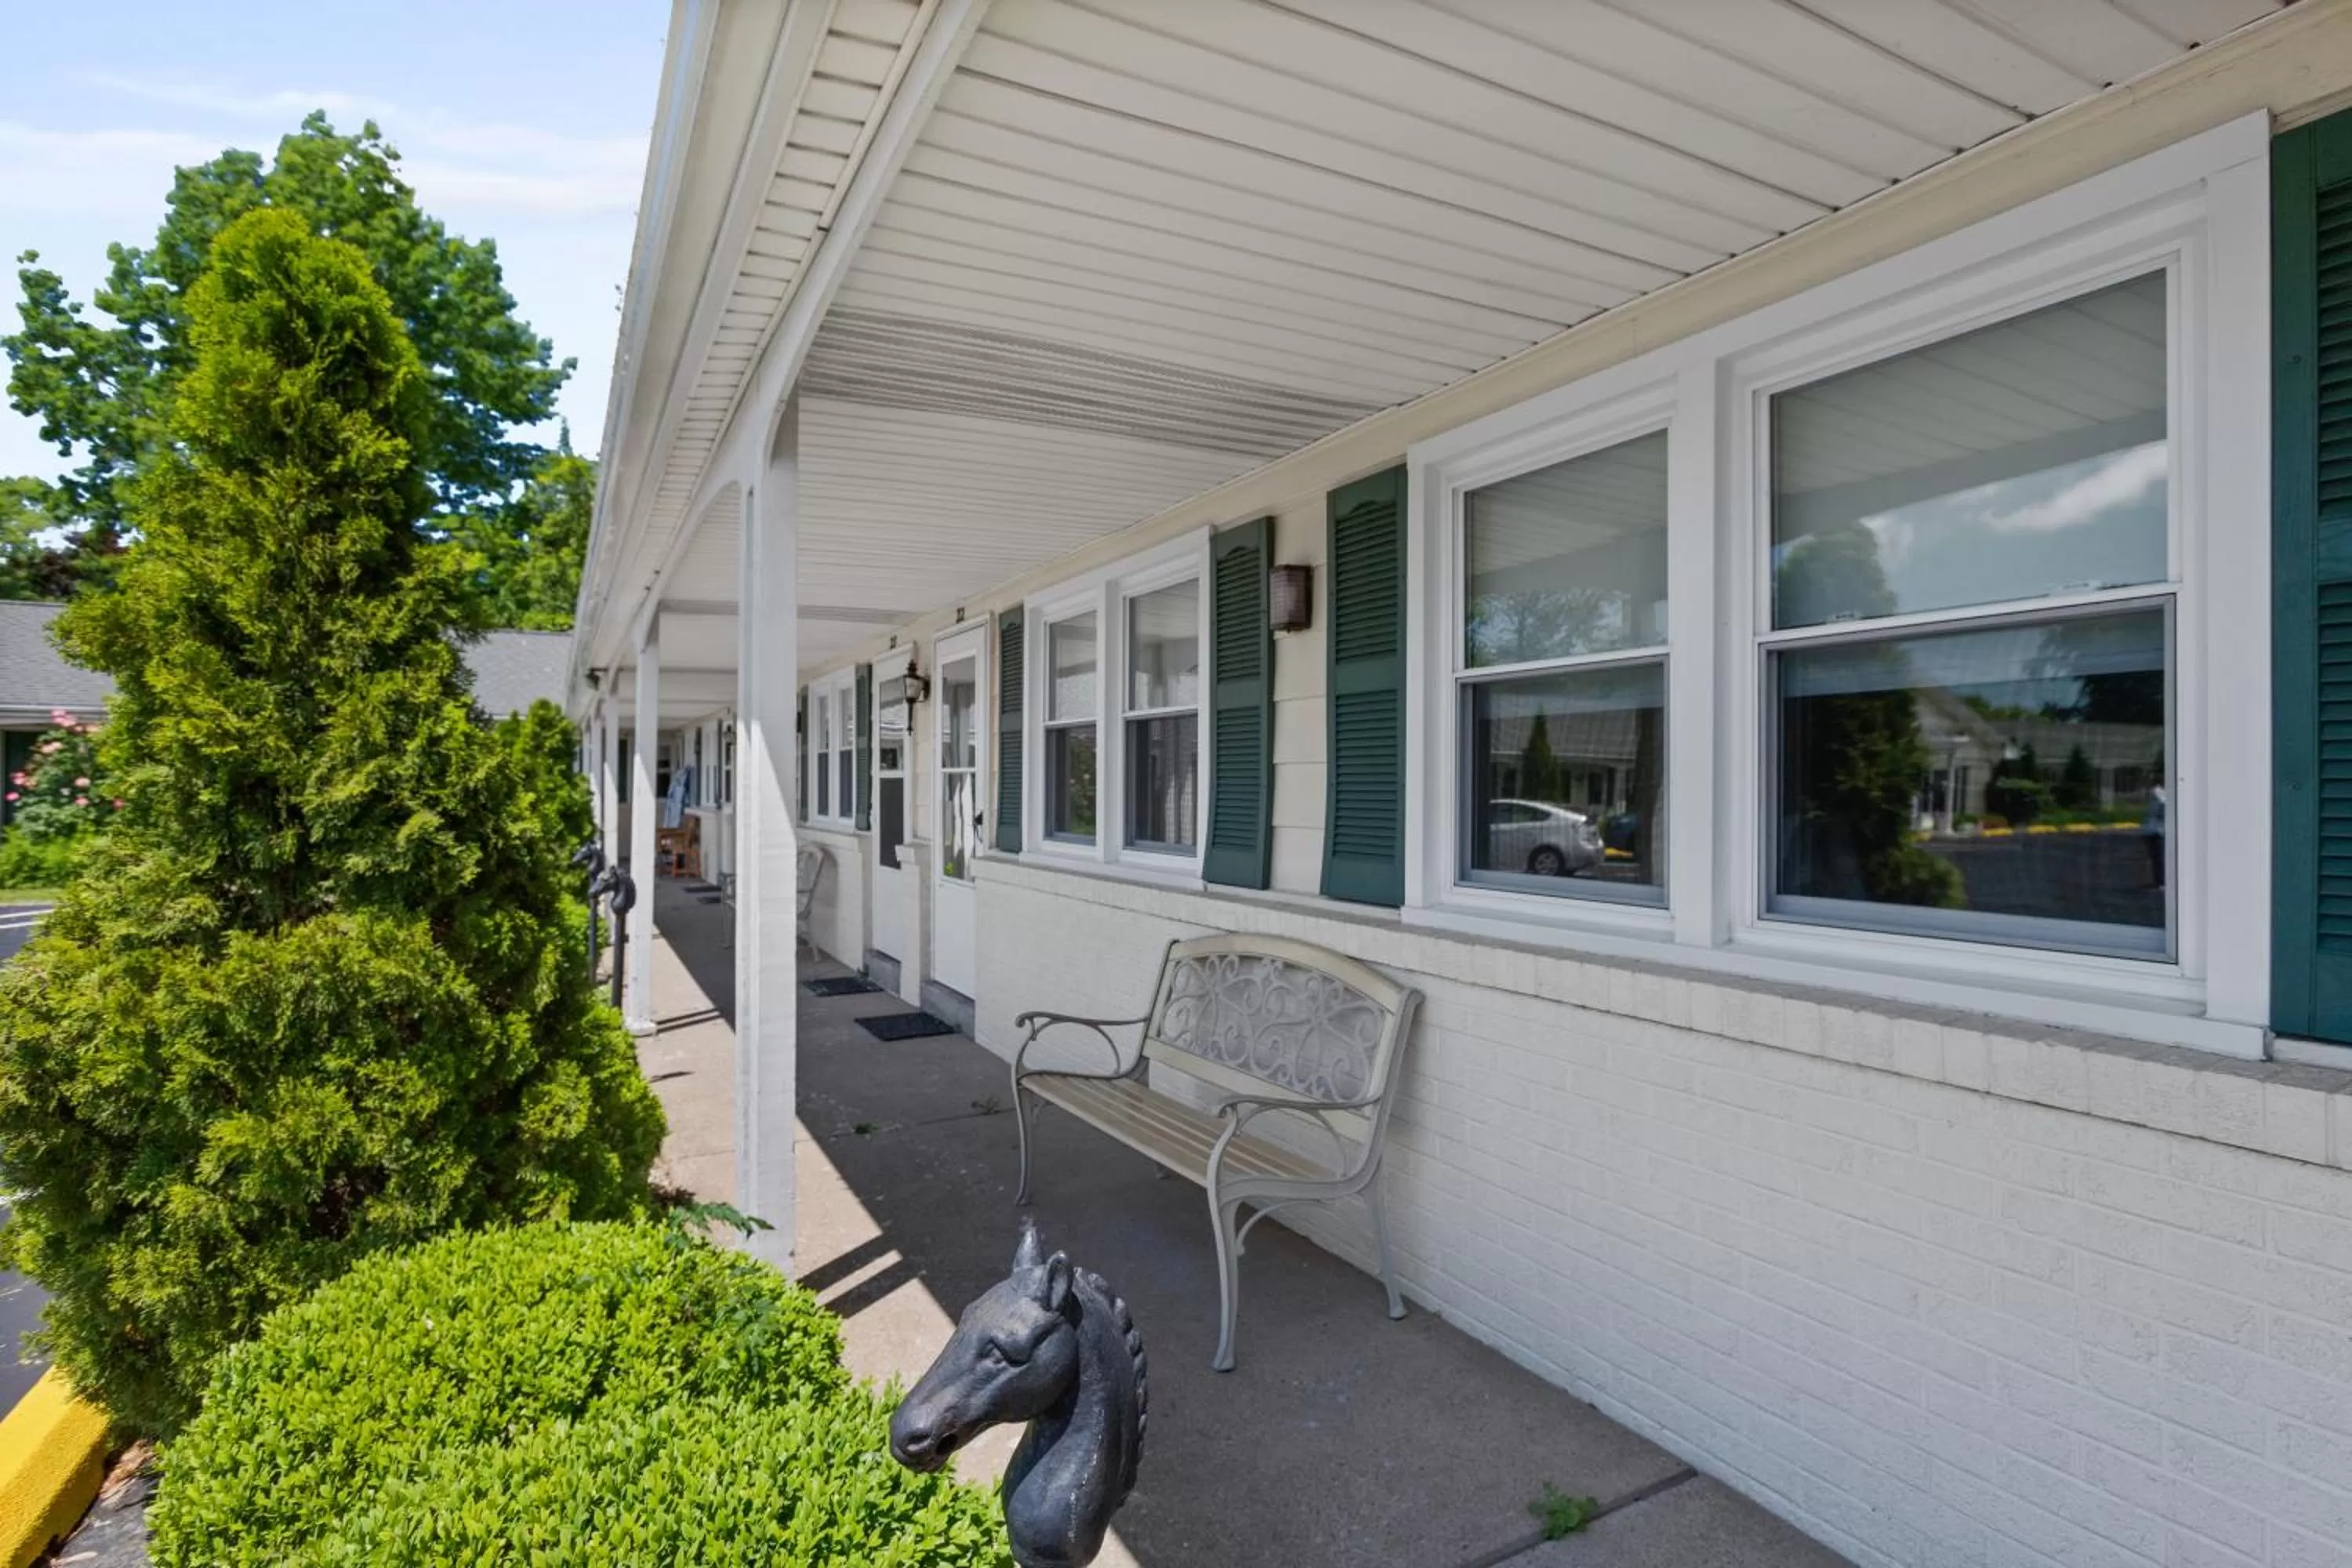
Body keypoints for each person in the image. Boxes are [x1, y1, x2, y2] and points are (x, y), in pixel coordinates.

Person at [2142, 782, 2166, 890]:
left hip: (2157, 831)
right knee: (2157, 858)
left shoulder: (2161, 797)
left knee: (2159, 858)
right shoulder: (2156, 798)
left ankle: (2161, 881)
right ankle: (2159, 881)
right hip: (2153, 831)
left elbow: (2162, 813)